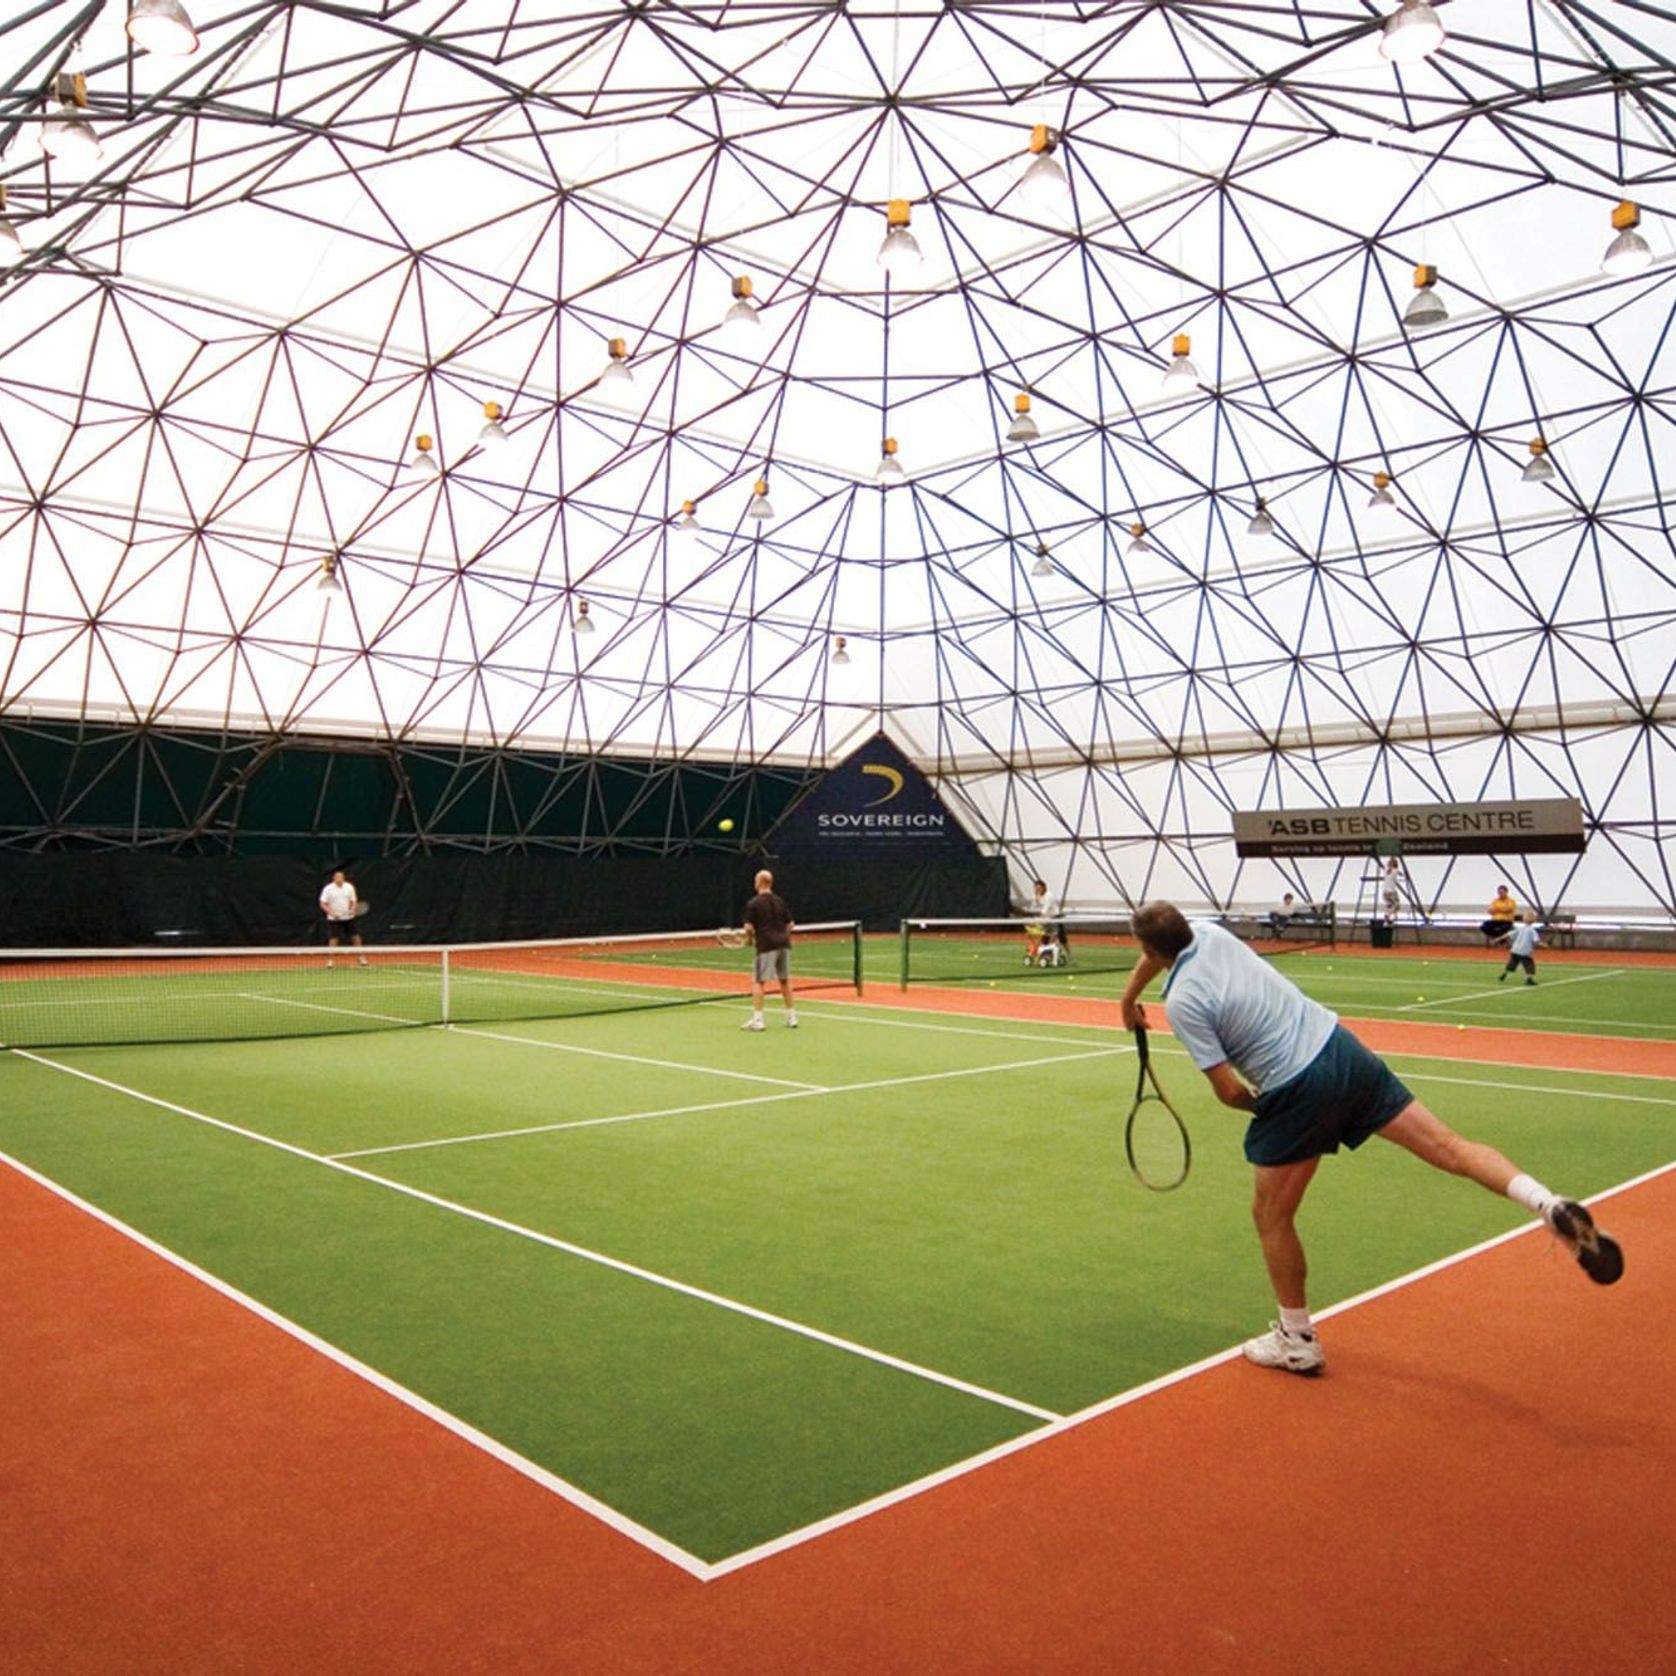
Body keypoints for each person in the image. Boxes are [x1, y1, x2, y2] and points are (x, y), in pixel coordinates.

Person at [1118, 901, 1623, 1377]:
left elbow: (1228, 1090)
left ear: (1150, 949)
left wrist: (1263, 1106)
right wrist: (1128, 999)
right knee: (1449, 1147)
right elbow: (1156, 958)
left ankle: (1297, 1340)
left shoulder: (1184, 1002)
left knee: (1271, 1216)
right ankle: (1546, 1203)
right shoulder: (1209, 932)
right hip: (1342, 1050)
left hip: (1295, 1086)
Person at [742, 869, 796, 1030]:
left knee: (759, 982)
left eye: (755, 880)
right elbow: (791, 924)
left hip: (766, 946)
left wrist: (750, 940)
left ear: (760, 882)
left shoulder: (754, 903)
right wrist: (782, 935)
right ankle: (791, 1017)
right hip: (784, 944)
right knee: (785, 981)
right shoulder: (780, 901)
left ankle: (758, 1020)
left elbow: (748, 927)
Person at [319, 868, 368, 968]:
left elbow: (354, 901)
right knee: (334, 939)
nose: (340, 879)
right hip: (334, 919)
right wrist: (332, 913)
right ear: (334, 878)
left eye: (341, 877)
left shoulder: (349, 887)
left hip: (349, 918)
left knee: (355, 937)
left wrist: (352, 909)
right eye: (338, 877)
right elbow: (322, 903)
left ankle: (361, 957)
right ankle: (331, 961)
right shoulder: (328, 889)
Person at [1495, 912, 1542, 986]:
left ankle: (1504, 973)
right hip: (1525, 952)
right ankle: (1529, 979)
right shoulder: (1533, 931)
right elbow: (1536, 942)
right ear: (1534, 921)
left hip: (1515, 950)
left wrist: (1498, 938)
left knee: (1512, 963)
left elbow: (1508, 934)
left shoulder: (1519, 929)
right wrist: (1544, 945)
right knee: (1529, 965)